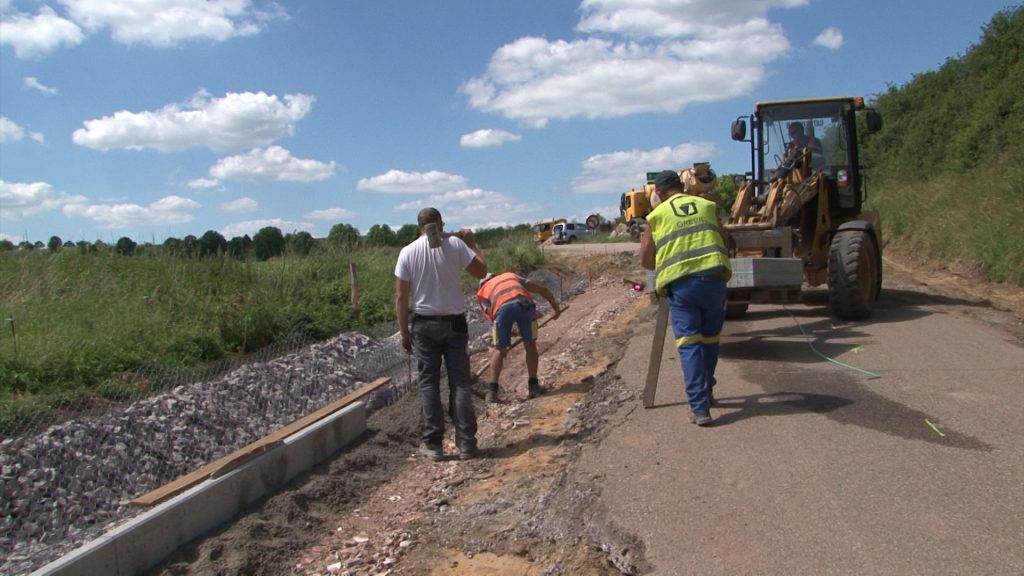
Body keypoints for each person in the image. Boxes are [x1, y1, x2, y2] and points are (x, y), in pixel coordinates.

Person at [640, 170, 732, 426]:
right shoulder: (707, 205)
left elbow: (646, 259)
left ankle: (700, 408)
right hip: (714, 280)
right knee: (710, 340)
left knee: (690, 343)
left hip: (683, 287)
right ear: (682, 186)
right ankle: (708, 390)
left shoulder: (656, 216)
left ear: (658, 193)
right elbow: (724, 239)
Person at [395, 208, 487, 460]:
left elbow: (401, 296)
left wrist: (404, 331)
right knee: (459, 382)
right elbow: (481, 272)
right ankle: (466, 442)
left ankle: (433, 443)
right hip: (454, 323)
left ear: (419, 228)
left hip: (424, 326)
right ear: (440, 223)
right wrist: (472, 243)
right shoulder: (456, 244)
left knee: (428, 384)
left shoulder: (407, 252)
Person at [476, 272, 561, 402]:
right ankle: (533, 387)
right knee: (530, 344)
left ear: (483, 283)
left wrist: (504, 339)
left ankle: (492, 392)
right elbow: (542, 290)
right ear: (494, 277)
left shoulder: (482, 292)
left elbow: (493, 316)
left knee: (499, 349)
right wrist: (556, 308)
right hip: (524, 306)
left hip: (502, 311)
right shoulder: (510, 276)